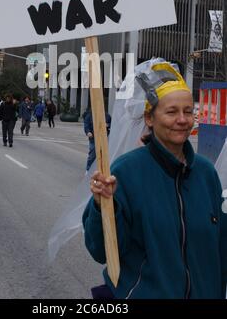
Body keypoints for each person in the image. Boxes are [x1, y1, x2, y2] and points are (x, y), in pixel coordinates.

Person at [83, 60, 227, 299]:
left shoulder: (206, 173)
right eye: (171, 112)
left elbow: (220, 250)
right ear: (150, 118)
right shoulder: (125, 172)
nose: (182, 119)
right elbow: (101, 251)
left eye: (188, 111)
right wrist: (103, 206)